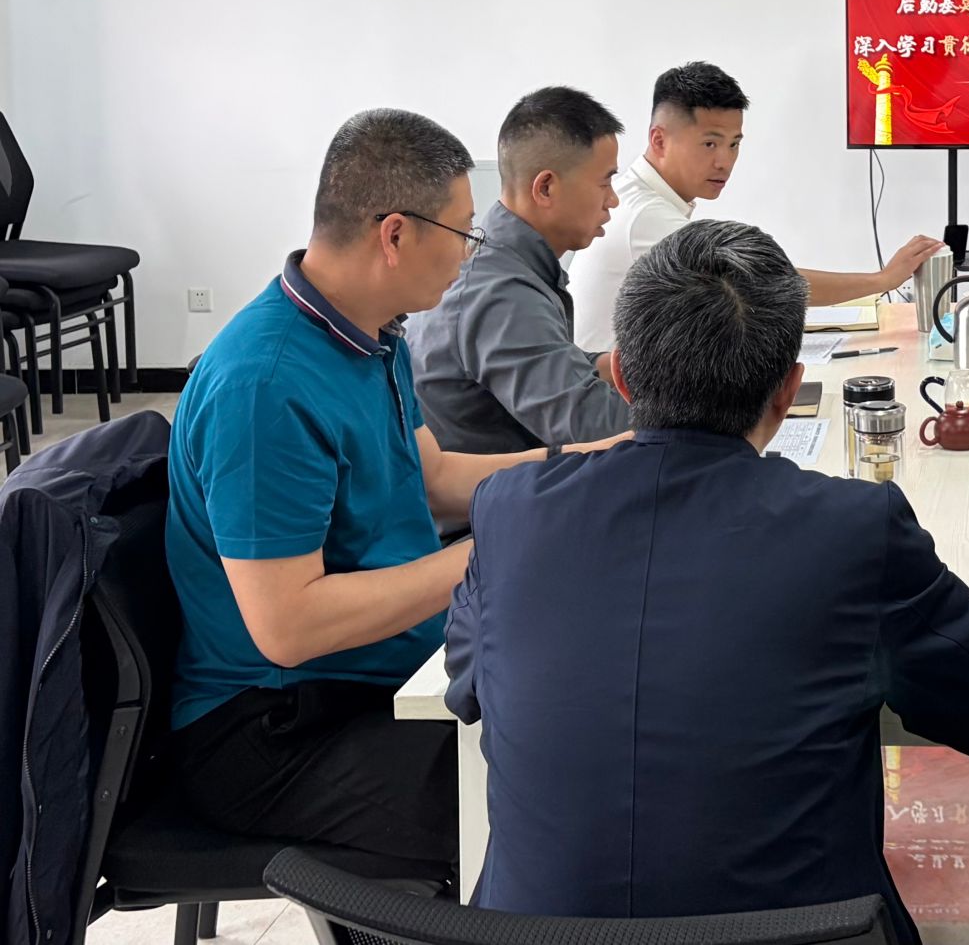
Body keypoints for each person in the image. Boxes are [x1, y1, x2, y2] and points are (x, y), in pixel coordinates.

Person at [446, 219, 969, 941]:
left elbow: (466, 683)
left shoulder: (511, 511)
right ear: (789, 390)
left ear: (620, 376)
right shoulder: (851, 529)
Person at [165, 109, 625, 872]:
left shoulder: (372, 331)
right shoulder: (264, 385)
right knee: (562, 803)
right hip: (277, 727)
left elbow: (433, 479)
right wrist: (498, 544)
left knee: (602, 700)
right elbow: (288, 626)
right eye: (464, 231)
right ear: (395, 234)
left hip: (381, 669)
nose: (471, 251)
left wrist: (577, 465)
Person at [567, 62, 946, 353]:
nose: (725, 161)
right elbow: (764, 283)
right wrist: (882, 280)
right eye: (710, 144)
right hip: (619, 408)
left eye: (734, 144)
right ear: (659, 140)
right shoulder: (645, 216)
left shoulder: (646, 197)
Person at [412, 86, 630, 455]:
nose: (613, 200)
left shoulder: (507, 262)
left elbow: (553, 361)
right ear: (545, 188)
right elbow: (595, 427)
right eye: (604, 182)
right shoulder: (502, 292)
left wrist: (627, 366)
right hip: (481, 494)